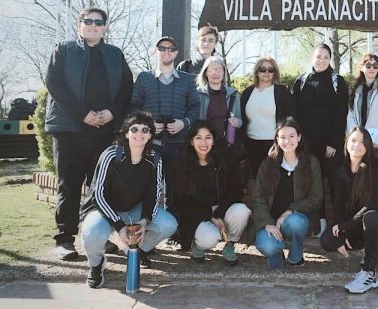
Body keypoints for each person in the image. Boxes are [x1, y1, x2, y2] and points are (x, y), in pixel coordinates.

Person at [45, 6, 133, 261]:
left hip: (103, 132)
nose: (93, 26)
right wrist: (83, 114)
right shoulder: (63, 50)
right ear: (79, 24)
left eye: (99, 22)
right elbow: (54, 85)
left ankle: (97, 236)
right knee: (69, 186)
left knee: (100, 188)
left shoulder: (115, 54)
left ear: (105, 27)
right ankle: (65, 240)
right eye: (88, 21)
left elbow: (127, 87)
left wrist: (112, 113)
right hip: (70, 130)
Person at [79, 112, 177, 288]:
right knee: (92, 233)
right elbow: (98, 195)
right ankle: (96, 264)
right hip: (103, 210)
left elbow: (153, 195)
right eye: (134, 129)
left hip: (133, 209)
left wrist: (145, 220)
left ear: (150, 135)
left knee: (169, 224)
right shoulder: (111, 155)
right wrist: (119, 227)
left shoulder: (155, 158)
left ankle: (134, 249)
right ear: (126, 133)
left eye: (145, 130)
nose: (139, 133)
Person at [320, 127, 378, 294]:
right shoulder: (341, 171)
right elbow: (339, 206)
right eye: (353, 140)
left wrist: (346, 227)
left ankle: (369, 274)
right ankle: (358, 242)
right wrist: (340, 230)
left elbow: (373, 205)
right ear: (346, 143)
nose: (357, 145)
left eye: (363, 141)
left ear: (369, 146)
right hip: (357, 227)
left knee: (370, 217)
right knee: (327, 240)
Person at [129, 36, 200, 215]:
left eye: (170, 48)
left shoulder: (187, 79)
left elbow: (195, 106)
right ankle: (142, 227)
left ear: (176, 53)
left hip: (178, 144)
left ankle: (174, 232)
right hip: (150, 143)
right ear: (156, 52)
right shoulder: (144, 78)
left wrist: (183, 123)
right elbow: (134, 106)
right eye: (162, 48)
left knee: (176, 188)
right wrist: (148, 124)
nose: (166, 51)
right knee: (146, 185)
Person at [172, 121, 250, 265]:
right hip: (197, 214)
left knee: (242, 211)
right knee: (209, 239)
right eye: (198, 138)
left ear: (214, 140)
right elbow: (182, 202)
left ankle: (229, 245)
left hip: (222, 208)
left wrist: (219, 213)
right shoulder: (183, 164)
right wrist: (209, 215)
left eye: (208, 137)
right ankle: (198, 244)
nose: (203, 142)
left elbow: (236, 190)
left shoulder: (225, 158)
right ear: (191, 141)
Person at [292, 43, 349, 237]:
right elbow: (296, 114)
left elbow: (341, 114)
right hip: (307, 143)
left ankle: (340, 222)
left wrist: (333, 142)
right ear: (312, 58)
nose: (321, 60)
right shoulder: (301, 81)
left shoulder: (337, 81)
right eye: (318, 56)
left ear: (330, 59)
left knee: (335, 181)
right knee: (313, 183)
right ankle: (319, 221)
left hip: (331, 143)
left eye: (325, 57)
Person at [252, 117, 323, 268]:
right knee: (269, 246)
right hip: (270, 222)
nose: (287, 141)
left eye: (292, 136)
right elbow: (258, 198)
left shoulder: (311, 163)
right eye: (282, 137)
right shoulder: (268, 164)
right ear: (277, 139)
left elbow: (316, 198)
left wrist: (290, 210)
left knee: (295, 222)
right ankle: (277, 253)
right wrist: (267, 223)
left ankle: (296, 254)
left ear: (299, 137)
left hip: (296, 220)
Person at [239, 57, 296, 176]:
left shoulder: (282, 91)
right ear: (257, 72)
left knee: (274, 178)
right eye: (262, 69)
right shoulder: (248, 92)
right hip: (251, 144)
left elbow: (291, 117)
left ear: (275, 72)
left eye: (270, 70)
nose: (266, 72)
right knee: (256, 179)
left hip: (275, 144)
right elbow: (241, 118)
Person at [345, 53, 378, 166]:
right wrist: (355, 139)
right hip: (358, 146)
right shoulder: (354, 90)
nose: (372, 68)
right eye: (368, 65)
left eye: (375, 66)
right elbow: (350, 116)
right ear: (362, 67)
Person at [195, 56, 242, 150]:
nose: (216, 73)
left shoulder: (233, 95)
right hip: (204, 145)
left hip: (226, 144)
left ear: (224, 72)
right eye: (212, 70)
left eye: (219, 69)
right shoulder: (197, 94)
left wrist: (237, 122)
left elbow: (240, 120)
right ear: (206, 73)